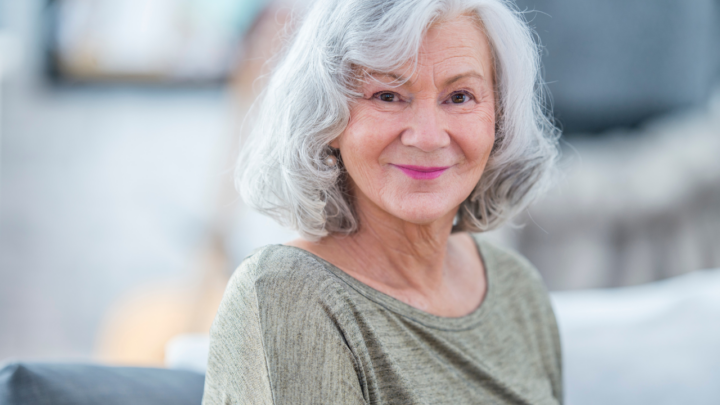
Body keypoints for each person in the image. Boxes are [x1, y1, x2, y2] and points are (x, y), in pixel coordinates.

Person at [203, 0, 561, 403]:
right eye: (388, 95)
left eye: (459, 97)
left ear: (499, 118)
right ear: (328, 119)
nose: (428, 136)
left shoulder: (517, 287)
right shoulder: (288, 293)